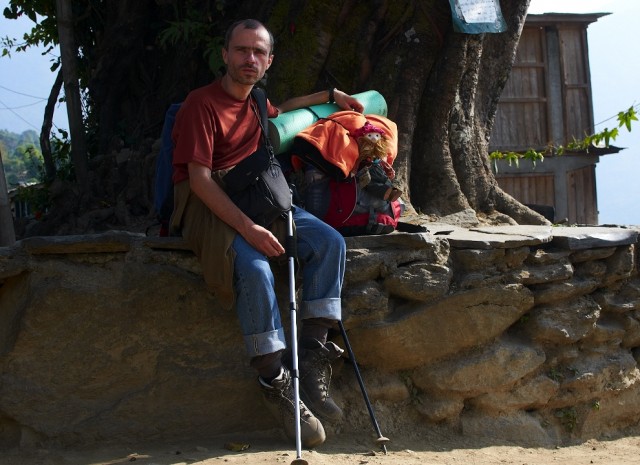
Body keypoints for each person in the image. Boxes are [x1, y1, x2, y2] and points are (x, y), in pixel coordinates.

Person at [169, 18, 364, 448]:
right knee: (254, 268)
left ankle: (310, 357)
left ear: (269, 60)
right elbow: (199, 180)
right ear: (225, 54)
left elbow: (285, 109)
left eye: (258, 52)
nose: (249, 58)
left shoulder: (256, 101)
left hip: (257, 195)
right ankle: (275, 379)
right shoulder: (200, 104)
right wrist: (249, 229)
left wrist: (332, 97)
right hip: (208, 204)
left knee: (328, 242)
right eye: (241, 50)